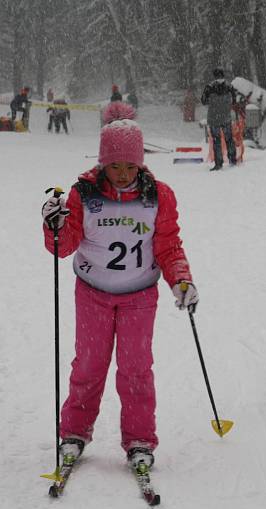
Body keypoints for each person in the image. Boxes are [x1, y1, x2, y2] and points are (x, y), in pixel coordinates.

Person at [40, 119, 199, 471]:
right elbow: (64, 246)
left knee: (136, 369)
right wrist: (55, 225)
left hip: (139, 295)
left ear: (141, 163)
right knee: (89, 365)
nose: (124, 173)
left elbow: (169, 246)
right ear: (102, 163)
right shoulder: (84, 194)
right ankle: (75, 431)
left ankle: (139, 438)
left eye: (131, 166)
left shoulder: (158, 195)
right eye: (115, 166)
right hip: (93, 293)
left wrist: (181, 281)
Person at [201, 68, 237, 171]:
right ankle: (232, 160)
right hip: (226, 118)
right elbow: (234, 101)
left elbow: (203, 101)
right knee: (229, 139)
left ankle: (219, 163)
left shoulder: (209, 87)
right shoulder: (229, 86)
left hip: (214, 119)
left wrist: (213, 102)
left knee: (216, 141)